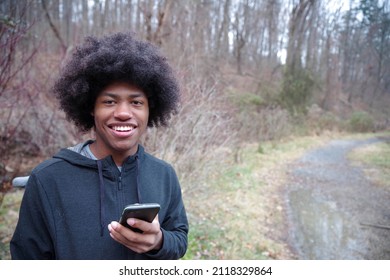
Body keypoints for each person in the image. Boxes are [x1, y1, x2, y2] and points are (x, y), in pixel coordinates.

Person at [10, 33, 189, 260]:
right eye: (109, 101)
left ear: (149, 110)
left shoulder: (164, 174)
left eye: (136, 102)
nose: (123, 113)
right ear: (91, 108)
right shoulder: (48, 179)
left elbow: (179, 239)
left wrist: (159, 241)